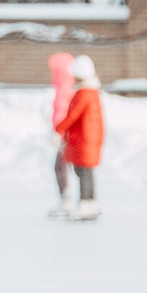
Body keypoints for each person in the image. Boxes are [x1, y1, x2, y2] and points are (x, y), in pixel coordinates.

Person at [52, 56, 105, 222]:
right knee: (86, 171)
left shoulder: (84, 93)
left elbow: (73, 115)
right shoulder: (91, 92)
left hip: (84, 139)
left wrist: (58, 129)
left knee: (83, 171)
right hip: (87, 138)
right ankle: (90, 202)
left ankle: (85, 203)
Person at [47, 51, 80, 215]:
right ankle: (67, 199)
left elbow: (64, 112)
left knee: (60, 166)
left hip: (64, 134)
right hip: (65, 133)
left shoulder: (65, 87)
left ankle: (66, 199)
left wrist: (58, 131)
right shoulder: (66, 85)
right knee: (62, 166)